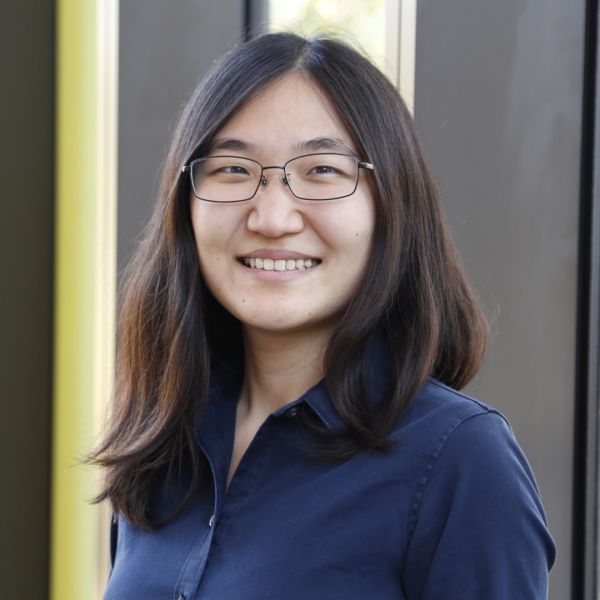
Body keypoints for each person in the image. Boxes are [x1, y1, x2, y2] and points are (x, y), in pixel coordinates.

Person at [93, 32, 555, 599]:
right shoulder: (163, 445)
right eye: (234, 170)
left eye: (322, 171)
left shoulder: (459, 462)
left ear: (391, 205)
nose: (272, 216)